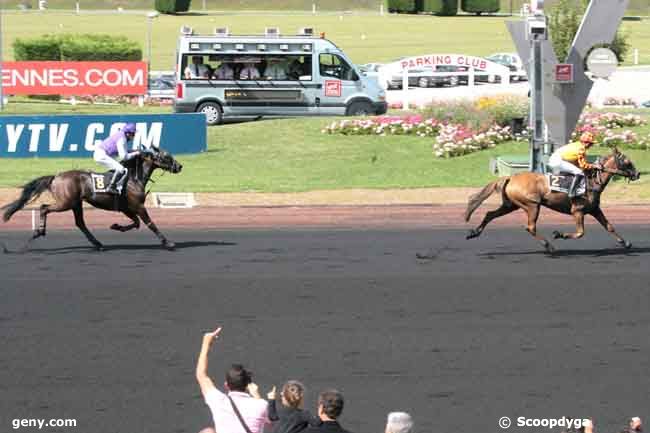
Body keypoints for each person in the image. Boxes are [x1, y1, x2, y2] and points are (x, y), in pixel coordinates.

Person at [196, 327, 269, 433]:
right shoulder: (261, 405)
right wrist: (256, 396)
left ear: (227, 385)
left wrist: (206, 342)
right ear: (247, 385)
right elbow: (270, 421)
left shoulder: (218, 401)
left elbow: (201, 375)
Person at [547, 131, 602, 198]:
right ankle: (572, 192)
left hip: (556, 159)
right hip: (557, 160)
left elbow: (578, 163)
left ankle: (565, 188)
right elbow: (583, 165)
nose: (591, 146)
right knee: (579, 172)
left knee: (574, 170)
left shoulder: (577, 144)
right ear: (586, 143)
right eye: (591, 144)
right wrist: (594, 166)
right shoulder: (581, 148)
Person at [93, 122, 139, 194]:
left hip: (103, 153)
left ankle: (112, 185)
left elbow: (125, 152)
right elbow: (124, 156)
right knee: (121, 169)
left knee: (118, 168)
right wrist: (136, 153)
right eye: (133, 134)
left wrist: (133, 151)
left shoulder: (122, 135)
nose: (134, 136)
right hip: (101, 155)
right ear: (128, 133)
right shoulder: (122, 139)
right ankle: (111, 187)